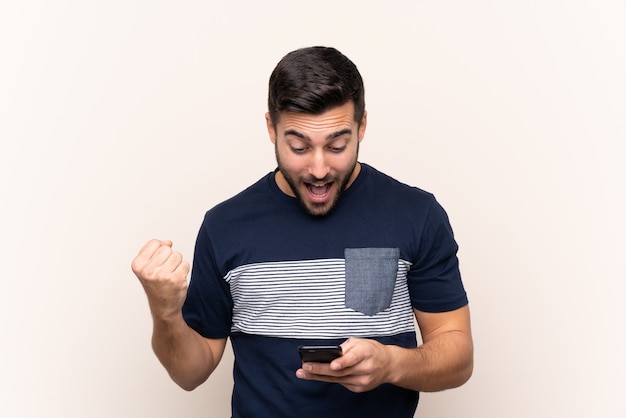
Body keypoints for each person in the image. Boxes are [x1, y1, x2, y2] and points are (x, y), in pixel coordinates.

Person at [131, 46, 473, 418]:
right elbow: (189, 373)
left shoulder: (416, 214)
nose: (319, 168)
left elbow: (458, 357)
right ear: (271, 129)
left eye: (337, 145)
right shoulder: (224, 226)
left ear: (362, 127)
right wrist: (165, 312)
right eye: (299, 146)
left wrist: (393, 364)